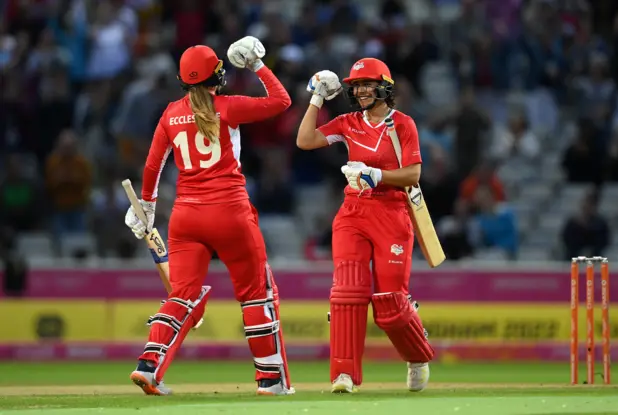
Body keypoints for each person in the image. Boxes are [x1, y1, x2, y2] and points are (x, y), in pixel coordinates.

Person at [124, 37, 294, 396]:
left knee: (182, 294)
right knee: (255, 295)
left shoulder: (170, 113)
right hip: (230, 213)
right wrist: (258, 66)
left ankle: (149, 365)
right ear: (217, 75)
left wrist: (147, 205)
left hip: (186, 218)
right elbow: (281, 101)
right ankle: (270, 381)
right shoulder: (227, 106)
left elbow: (154, 164)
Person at [296, 58, 435, 393]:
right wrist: (315, 98)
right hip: (353, 213)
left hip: (392, 212)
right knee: (347, 293)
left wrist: (379, 176)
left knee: (390, 305)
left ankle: (417, 356)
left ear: (384, 87)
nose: (359, 91)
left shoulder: (402, 124)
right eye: (355, 86)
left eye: (366, 84)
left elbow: (414, 175)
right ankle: (343, 375)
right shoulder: (347, 123)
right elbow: (304, 140)